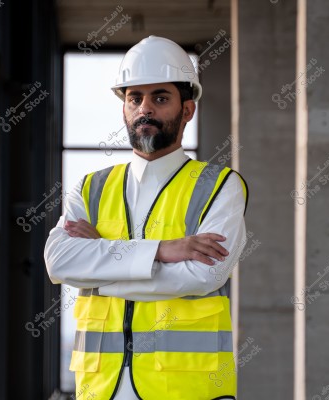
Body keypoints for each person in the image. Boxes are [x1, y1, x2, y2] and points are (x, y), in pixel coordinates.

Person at [44, 35, 248, 400]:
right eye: (134, 98)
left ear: (187, 109)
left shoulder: (220, 186)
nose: (145, 109)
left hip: (187, 389)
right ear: (124, 109)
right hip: (100, 388)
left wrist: (97, 273)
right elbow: (59, 263)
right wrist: (162, 251)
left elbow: (204, 276)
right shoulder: (90, 188)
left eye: (160, 97)